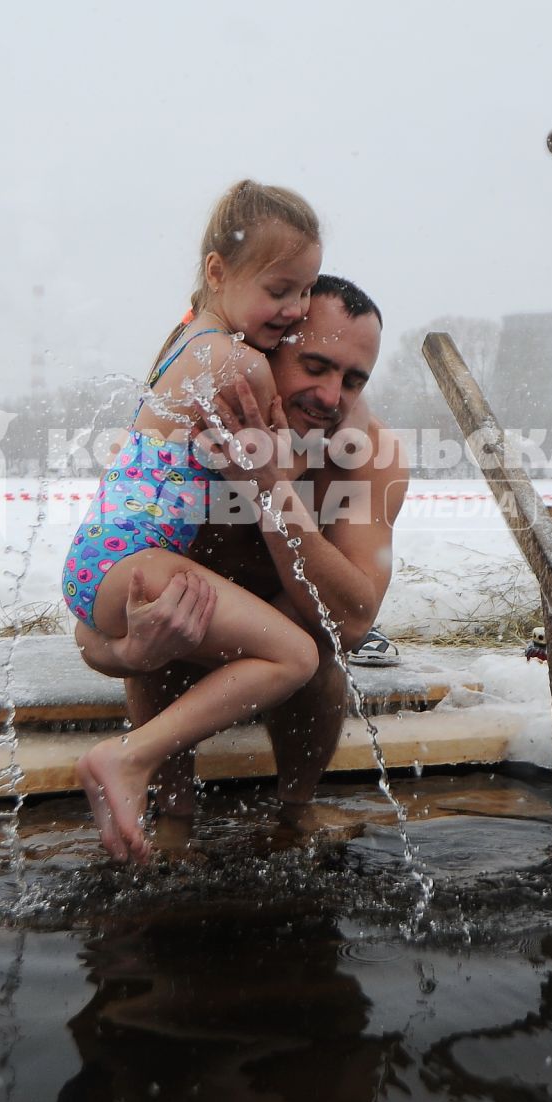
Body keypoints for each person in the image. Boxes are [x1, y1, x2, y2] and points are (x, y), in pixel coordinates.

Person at [77, 274, 407, 843]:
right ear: (265, 349)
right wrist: (127, 651)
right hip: (193, 632)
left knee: (317, 640)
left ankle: (295, 810)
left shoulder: (366, 457)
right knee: (167, 608)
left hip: (292, 643)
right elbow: (97, 609)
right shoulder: (186, 427)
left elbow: (350, 622)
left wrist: (270, 489)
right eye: (315, 366)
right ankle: (172, 815)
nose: (331, 397)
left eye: (353, 379)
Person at [63, 179, 327, 865]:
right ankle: (130, 759)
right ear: (217, 271)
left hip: (103, 561)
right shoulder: (238, 363)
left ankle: (168, 807)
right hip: (140, 561)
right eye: (280, 289)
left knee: (248, 648)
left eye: (306, 290)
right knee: (294, 654)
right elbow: (280, 470)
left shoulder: (181, 340)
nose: (296, 310)